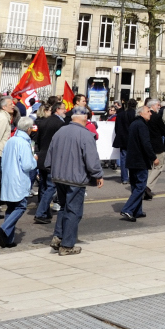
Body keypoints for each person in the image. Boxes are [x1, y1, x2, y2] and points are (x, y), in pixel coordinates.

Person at [45, 106, 102, 255]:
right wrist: (98, 175)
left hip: (59, 176)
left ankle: (59, 237)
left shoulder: (60, 131)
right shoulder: (86, 134)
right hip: (75, 178)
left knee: (64, 207)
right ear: (85, 118)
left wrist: (51, 170)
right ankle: (67, 245)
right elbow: (92, 159)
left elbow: (50, 154)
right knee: (73, 211)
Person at [0, 113, 36, 247]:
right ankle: (3, 229)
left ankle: (7, 239)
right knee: (20, 206)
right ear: (28, 129)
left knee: (10, 208)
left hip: (8, 177)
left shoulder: (11, 140)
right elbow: (27, 165)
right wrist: (34, 160)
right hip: (18, 179)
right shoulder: (23, 143)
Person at [117, 100, 157, 223]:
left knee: (135, 186)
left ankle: (137, 210)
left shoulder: (134, 124)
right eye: (148, 111)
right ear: (141, 113)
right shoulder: (142, 125)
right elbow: (146, 143)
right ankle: (128, 209)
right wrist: (153, 157)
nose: (150, 113)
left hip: (132, 160)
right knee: (140, 186)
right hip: (140, 160)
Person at [31, 101, 67, 223]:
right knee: (51, 186)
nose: (65, 111)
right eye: (63, 109)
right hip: (52, 158)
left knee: (44, 186)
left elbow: (38, 141)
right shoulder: (60, 124)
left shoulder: (44, 122)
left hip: (42, 157)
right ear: (57, 110)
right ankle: (41, 212)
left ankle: (45, 212)